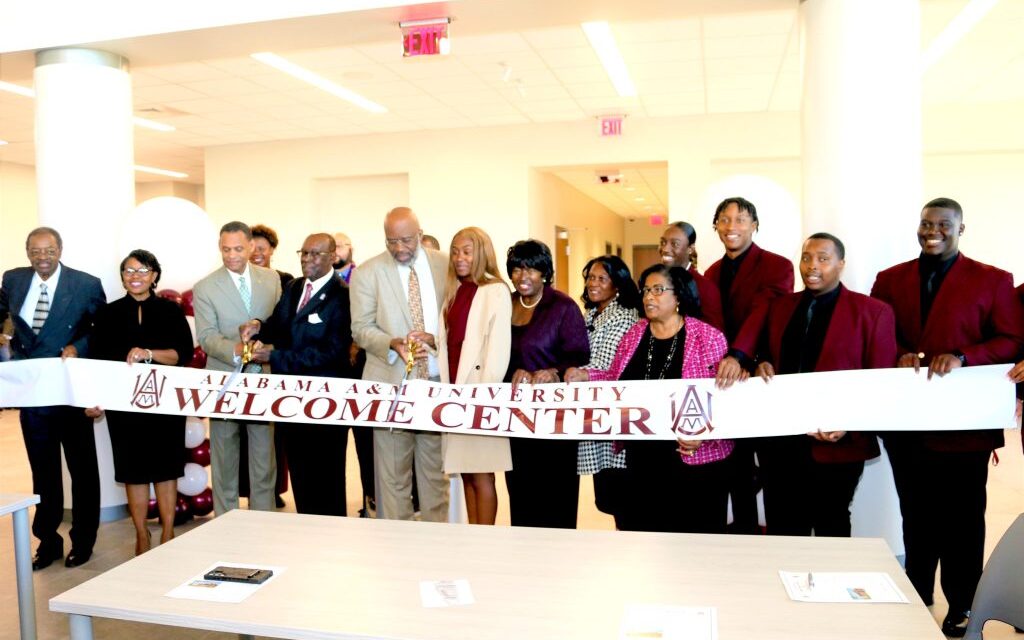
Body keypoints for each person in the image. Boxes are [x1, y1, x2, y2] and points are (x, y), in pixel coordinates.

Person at [870, 197, 1023, 638]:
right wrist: (896, 353)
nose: (932, 230)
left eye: (942, 224)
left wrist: (964, 356)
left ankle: (964, 604)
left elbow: (1011, 339)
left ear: (960, 228)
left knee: (963, 520)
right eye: (925, 223)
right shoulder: (890, 279)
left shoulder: (993, 280)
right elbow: (880, 336)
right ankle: (917, 593)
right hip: (909, 425)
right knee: (915, 515)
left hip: (965, 427)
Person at [732, 233, 896, 537]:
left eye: (823, 258)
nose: (812, 266)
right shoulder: (779, 307)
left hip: (837, 444)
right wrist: (760, 364)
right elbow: (766, 354)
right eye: (806, 257)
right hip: (780, 444)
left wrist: (849, 424)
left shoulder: (873, 312)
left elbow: (881, 382)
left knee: (831, 523)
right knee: (783, 525)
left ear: (841, 264)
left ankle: (831, 585)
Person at [568, 265, 732, 533]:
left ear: (678, 296)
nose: (648, 297)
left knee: (694, 549)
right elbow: (615, 380)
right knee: (646, 545)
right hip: (642, 461)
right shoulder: (635, 334)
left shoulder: (707, 337)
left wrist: (704, 434)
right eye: (645, 290)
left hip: (692, 460)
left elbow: (725, 398)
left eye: (658, 290)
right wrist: (586, 376)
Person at [0, 227, 105, 569]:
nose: (41, 257)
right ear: (27, 252)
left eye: (48, 250)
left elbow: (100, 332)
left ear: (60, 249)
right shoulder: (13, 280)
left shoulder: (86, 284)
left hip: (71, 391)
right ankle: (48, 541)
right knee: (42, 472)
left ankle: (83, 540)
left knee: (83, 470)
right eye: (35, 251)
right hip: (34, 394)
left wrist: (79, 347)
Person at [86, 249, 194, 554]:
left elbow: (181, 355)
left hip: (164, 403)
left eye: (143, 270)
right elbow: (96, 362)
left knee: (165, 468)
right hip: (124, 406)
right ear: (122, 277)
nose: (136, 277)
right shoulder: (107, 314)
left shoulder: (171, 311)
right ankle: (141, 533)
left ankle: (168, 532)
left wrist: (148, 353)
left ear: (155, 276)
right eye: (129, 271)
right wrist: (95, 398)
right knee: (132, 469)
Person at [242, 233, 354, 516]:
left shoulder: (342, 295)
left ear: (332, 257)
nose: (307, 259)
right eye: (303, 253)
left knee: (326, 476)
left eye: (315, 254)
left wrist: (276, 356)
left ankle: (330, 536)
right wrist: (258, 327)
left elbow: (333, 352)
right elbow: (279, 325)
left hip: (325, 401)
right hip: (292, 398)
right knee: (300, 471)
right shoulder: (294, 287)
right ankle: (306, 535)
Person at [350, 207, 449, 522]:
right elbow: (361, 328)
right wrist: (392, 343)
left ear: (420, 234)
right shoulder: (367, 272)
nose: (399, 248)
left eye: (406, 240)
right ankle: (398, 542)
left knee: (435, 472)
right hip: (391, 384)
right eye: (391, 241)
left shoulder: (444, 266)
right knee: (392, 474)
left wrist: (436, 339)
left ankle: (437, 538)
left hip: (435, 383)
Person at [709, 197, 794, 535]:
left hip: (760, 374)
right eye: (725, 219)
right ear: (715, 225)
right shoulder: (712, 272)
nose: (732, 227)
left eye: (741, 219)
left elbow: (764, 313)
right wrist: (723, 360)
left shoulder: (777, 265)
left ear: (755, 225)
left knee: (773, 470)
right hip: (724, 379)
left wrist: (742, 356)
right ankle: (742, 537)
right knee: (734, 468)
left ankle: (779, 541)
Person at [193, 221, 282, 516]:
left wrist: (267, 346)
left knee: (263, 459)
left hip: (263, 381)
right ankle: (226, 521)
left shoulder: (271, 280)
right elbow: (206, 337)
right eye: (225, 249)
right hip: (224, 381)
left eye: (238, 249)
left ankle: (264, 520)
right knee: (224, 458)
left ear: (251, 247)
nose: (231, 255)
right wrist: (237, 350)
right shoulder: (205, 287)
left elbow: (279, 327)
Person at [504, 240, 589, 529]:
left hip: (556, 421)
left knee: (555, 497)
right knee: (520, 492)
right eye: (517, 269)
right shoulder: (505, 304)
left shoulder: (563, 307)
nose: (523, 276)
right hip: (517, 418)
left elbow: (580, 356)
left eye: (531, 269)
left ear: (545, 273)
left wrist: (553, 371)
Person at [436, 227, 512, 525]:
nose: (459, 258)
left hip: (479, 395)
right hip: (455, 393)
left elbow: (498, 350)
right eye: (455, 251)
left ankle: (486, 538)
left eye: (466, 251)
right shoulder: (454, 290)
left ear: (481, 253)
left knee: (482, 474)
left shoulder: (494, 290)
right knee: (466, 472)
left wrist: (482, 398)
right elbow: (452, 342)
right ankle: (473, 536)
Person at [571, 255, 641, 526]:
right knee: (607, 497)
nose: (593, 284)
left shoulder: (626, 317)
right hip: (592, 414)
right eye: (590, 277)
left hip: (615, 416)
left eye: (602, 278)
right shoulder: (590, 313)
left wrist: (580, 372)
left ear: (618, 285)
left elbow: (611, 364)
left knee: (622, 495)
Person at [242, 223, 291, 509]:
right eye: (252, 247)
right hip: (246, 364)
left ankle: (273, 489)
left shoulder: (286, 281)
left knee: (276, 436)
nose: (257, 252)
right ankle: (252, 490)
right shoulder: (239, 279)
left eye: (263, 247)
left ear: (272, 249)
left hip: (277, 364)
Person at [659, 221, 724, 331]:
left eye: (674, 244)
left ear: (690, 249)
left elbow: (715, 337)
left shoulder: (705, 288)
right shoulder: (656, 282)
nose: (665, 249)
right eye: (663, 242)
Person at [251, 224, 294, 289]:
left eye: (261, 249)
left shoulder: (285, 280)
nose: (256, 253)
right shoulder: (240, 280)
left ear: (272, 250)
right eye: (252, 249)